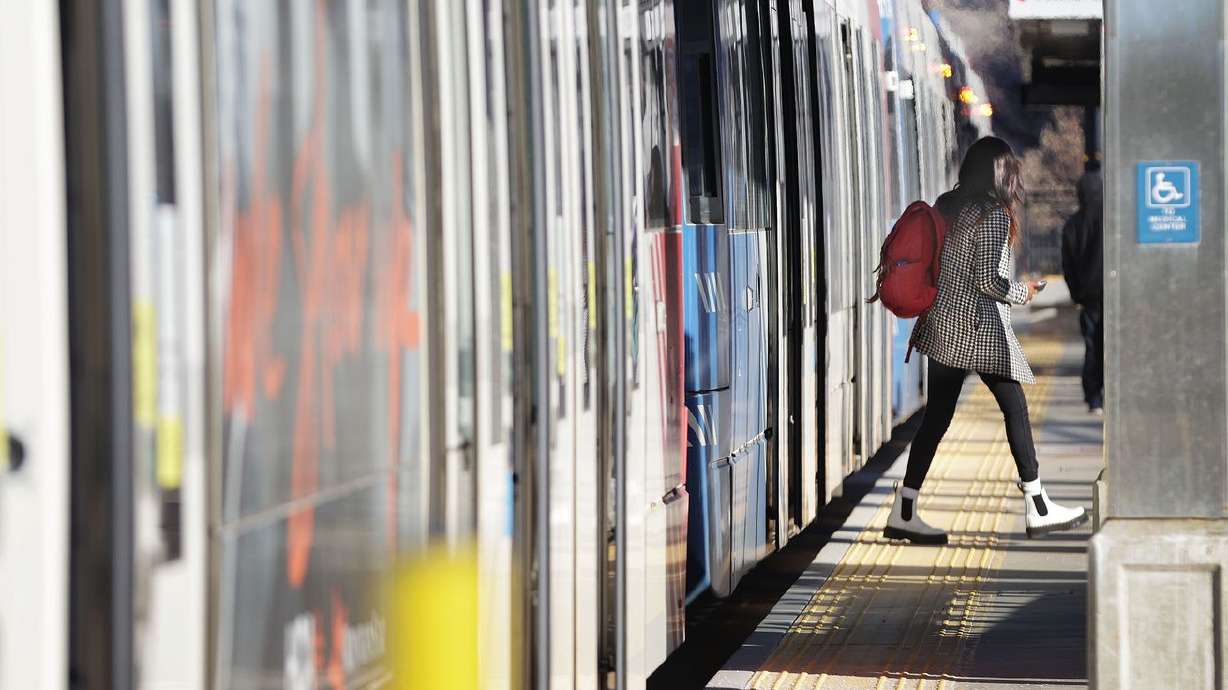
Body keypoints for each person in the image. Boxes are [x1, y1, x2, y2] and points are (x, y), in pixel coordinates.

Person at [883, 137, 1088, 544]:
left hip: (942, 324)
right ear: (1001, 173)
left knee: (937, 417)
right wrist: (1024, 292)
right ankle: (1038, 505)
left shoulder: (947, 204)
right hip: (977, 328)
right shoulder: (992, 214)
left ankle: (904, 509)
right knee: (1015, 408)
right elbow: (987, 281)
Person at [1061, 166, 1104, 414]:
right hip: (1112, 294)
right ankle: (1111, 391)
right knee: (1110, 343)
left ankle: (1093, 397)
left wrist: (1075, 293)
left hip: (1087, 297)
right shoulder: (1111, 220)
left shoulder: (1073, 225)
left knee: (1091, 345)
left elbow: (1068, 263)